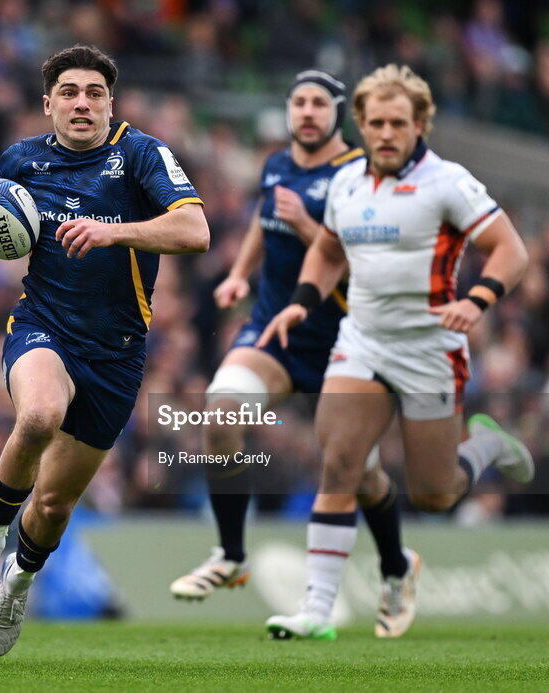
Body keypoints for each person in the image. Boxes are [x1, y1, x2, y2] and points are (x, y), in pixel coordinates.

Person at [0, 45, 209, 657]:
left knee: (56, 503)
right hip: (42, 326)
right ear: (48, 104)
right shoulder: (21, 159)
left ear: (110, 103)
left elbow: (195, 231)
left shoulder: (142, 154)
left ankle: (18, 582)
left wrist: (113, 231)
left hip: (115, 354)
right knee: (38, 415)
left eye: (94, 92)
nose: (82, 102)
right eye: (69, 92)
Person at [258, 64, 534, 640]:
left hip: (430, 349)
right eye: (375, 122)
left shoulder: (448, 182)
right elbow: (328, 250)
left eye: (398, 123)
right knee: (339, 462)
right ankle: (317, 609)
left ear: (420, 125)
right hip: (362, 341)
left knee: (434, 494)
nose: (385, 133)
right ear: (358, 124)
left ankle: (485, 444)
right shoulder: (347, 182)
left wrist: (477, 300)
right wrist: (302, 301)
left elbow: (509, 250)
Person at [168, 70, 420, 638]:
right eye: (298, 103)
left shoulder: (360, 174)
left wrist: (310, 225)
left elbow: (365, 264)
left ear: (338, 113)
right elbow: (264, 217)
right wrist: (238, 273)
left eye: (318, 104)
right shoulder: (278, 163)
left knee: (358, 473)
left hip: (346, 341)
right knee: (220, 412)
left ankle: (397, 570)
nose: (306, 113)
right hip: (275, 331)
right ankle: (230, 554)